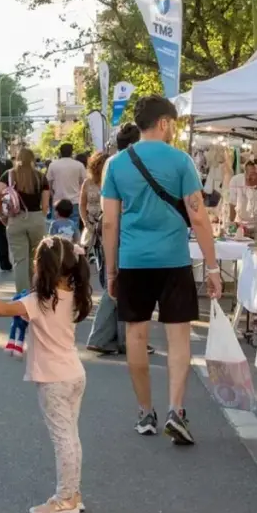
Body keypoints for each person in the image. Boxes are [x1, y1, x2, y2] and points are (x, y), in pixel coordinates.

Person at [102, 95, 221, 445]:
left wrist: (111, 271)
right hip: (174, 260)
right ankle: (176, 410)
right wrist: (212, 266)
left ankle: (145, 412)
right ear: (165, 122)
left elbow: (110, 223)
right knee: (177, 337)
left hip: (133, 261)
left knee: (136, 337)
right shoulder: (181, 161)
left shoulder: (117, 165)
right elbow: (198, 215)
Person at [0, 236, 91, 513]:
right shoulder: (73, 296)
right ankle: (73, 492)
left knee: (63, 438)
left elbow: (4, 309)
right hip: (74, 373)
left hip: (53, 380)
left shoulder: (39, 301)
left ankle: (64, 499)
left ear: (43, 268)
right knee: (71, 437)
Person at [86, 124, 150, 357]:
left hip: (112, 226)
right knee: (124, 284)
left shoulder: (111, 164)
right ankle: (118, 338)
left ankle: (115, 337)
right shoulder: (132, 163)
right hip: (130, 227)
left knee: (120, 282)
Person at [0, 148, 50, 294]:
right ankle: (36, 291)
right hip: (36, 218)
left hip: (15, 219)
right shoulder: (41, 177)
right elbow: (45, 205)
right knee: (36, 258)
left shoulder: (9, 175)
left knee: (20, 260)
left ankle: (22, 296)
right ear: (32, 159)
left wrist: (1, 215)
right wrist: (40, 216)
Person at [227, 159, 257, 238]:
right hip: (241, 227)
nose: (248, 177)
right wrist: (232, 225)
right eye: (246, 173)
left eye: (252, 175)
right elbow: (232, 204)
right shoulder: (236, 181)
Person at [47, 143, 85, 226]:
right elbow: (84, 184)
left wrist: (53, 195)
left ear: (60, 152)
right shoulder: (79, 165)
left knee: (57, 229)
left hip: (58, 201)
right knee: (73, 229)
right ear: (72, 152)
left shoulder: (53, 165)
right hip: (74, 201)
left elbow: (49, 185)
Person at [79, 151, 107, 236]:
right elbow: (82, 204)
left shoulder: (113, 181)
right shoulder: (87, 182)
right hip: (91, 224)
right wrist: (85, 222)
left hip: (108, 224)